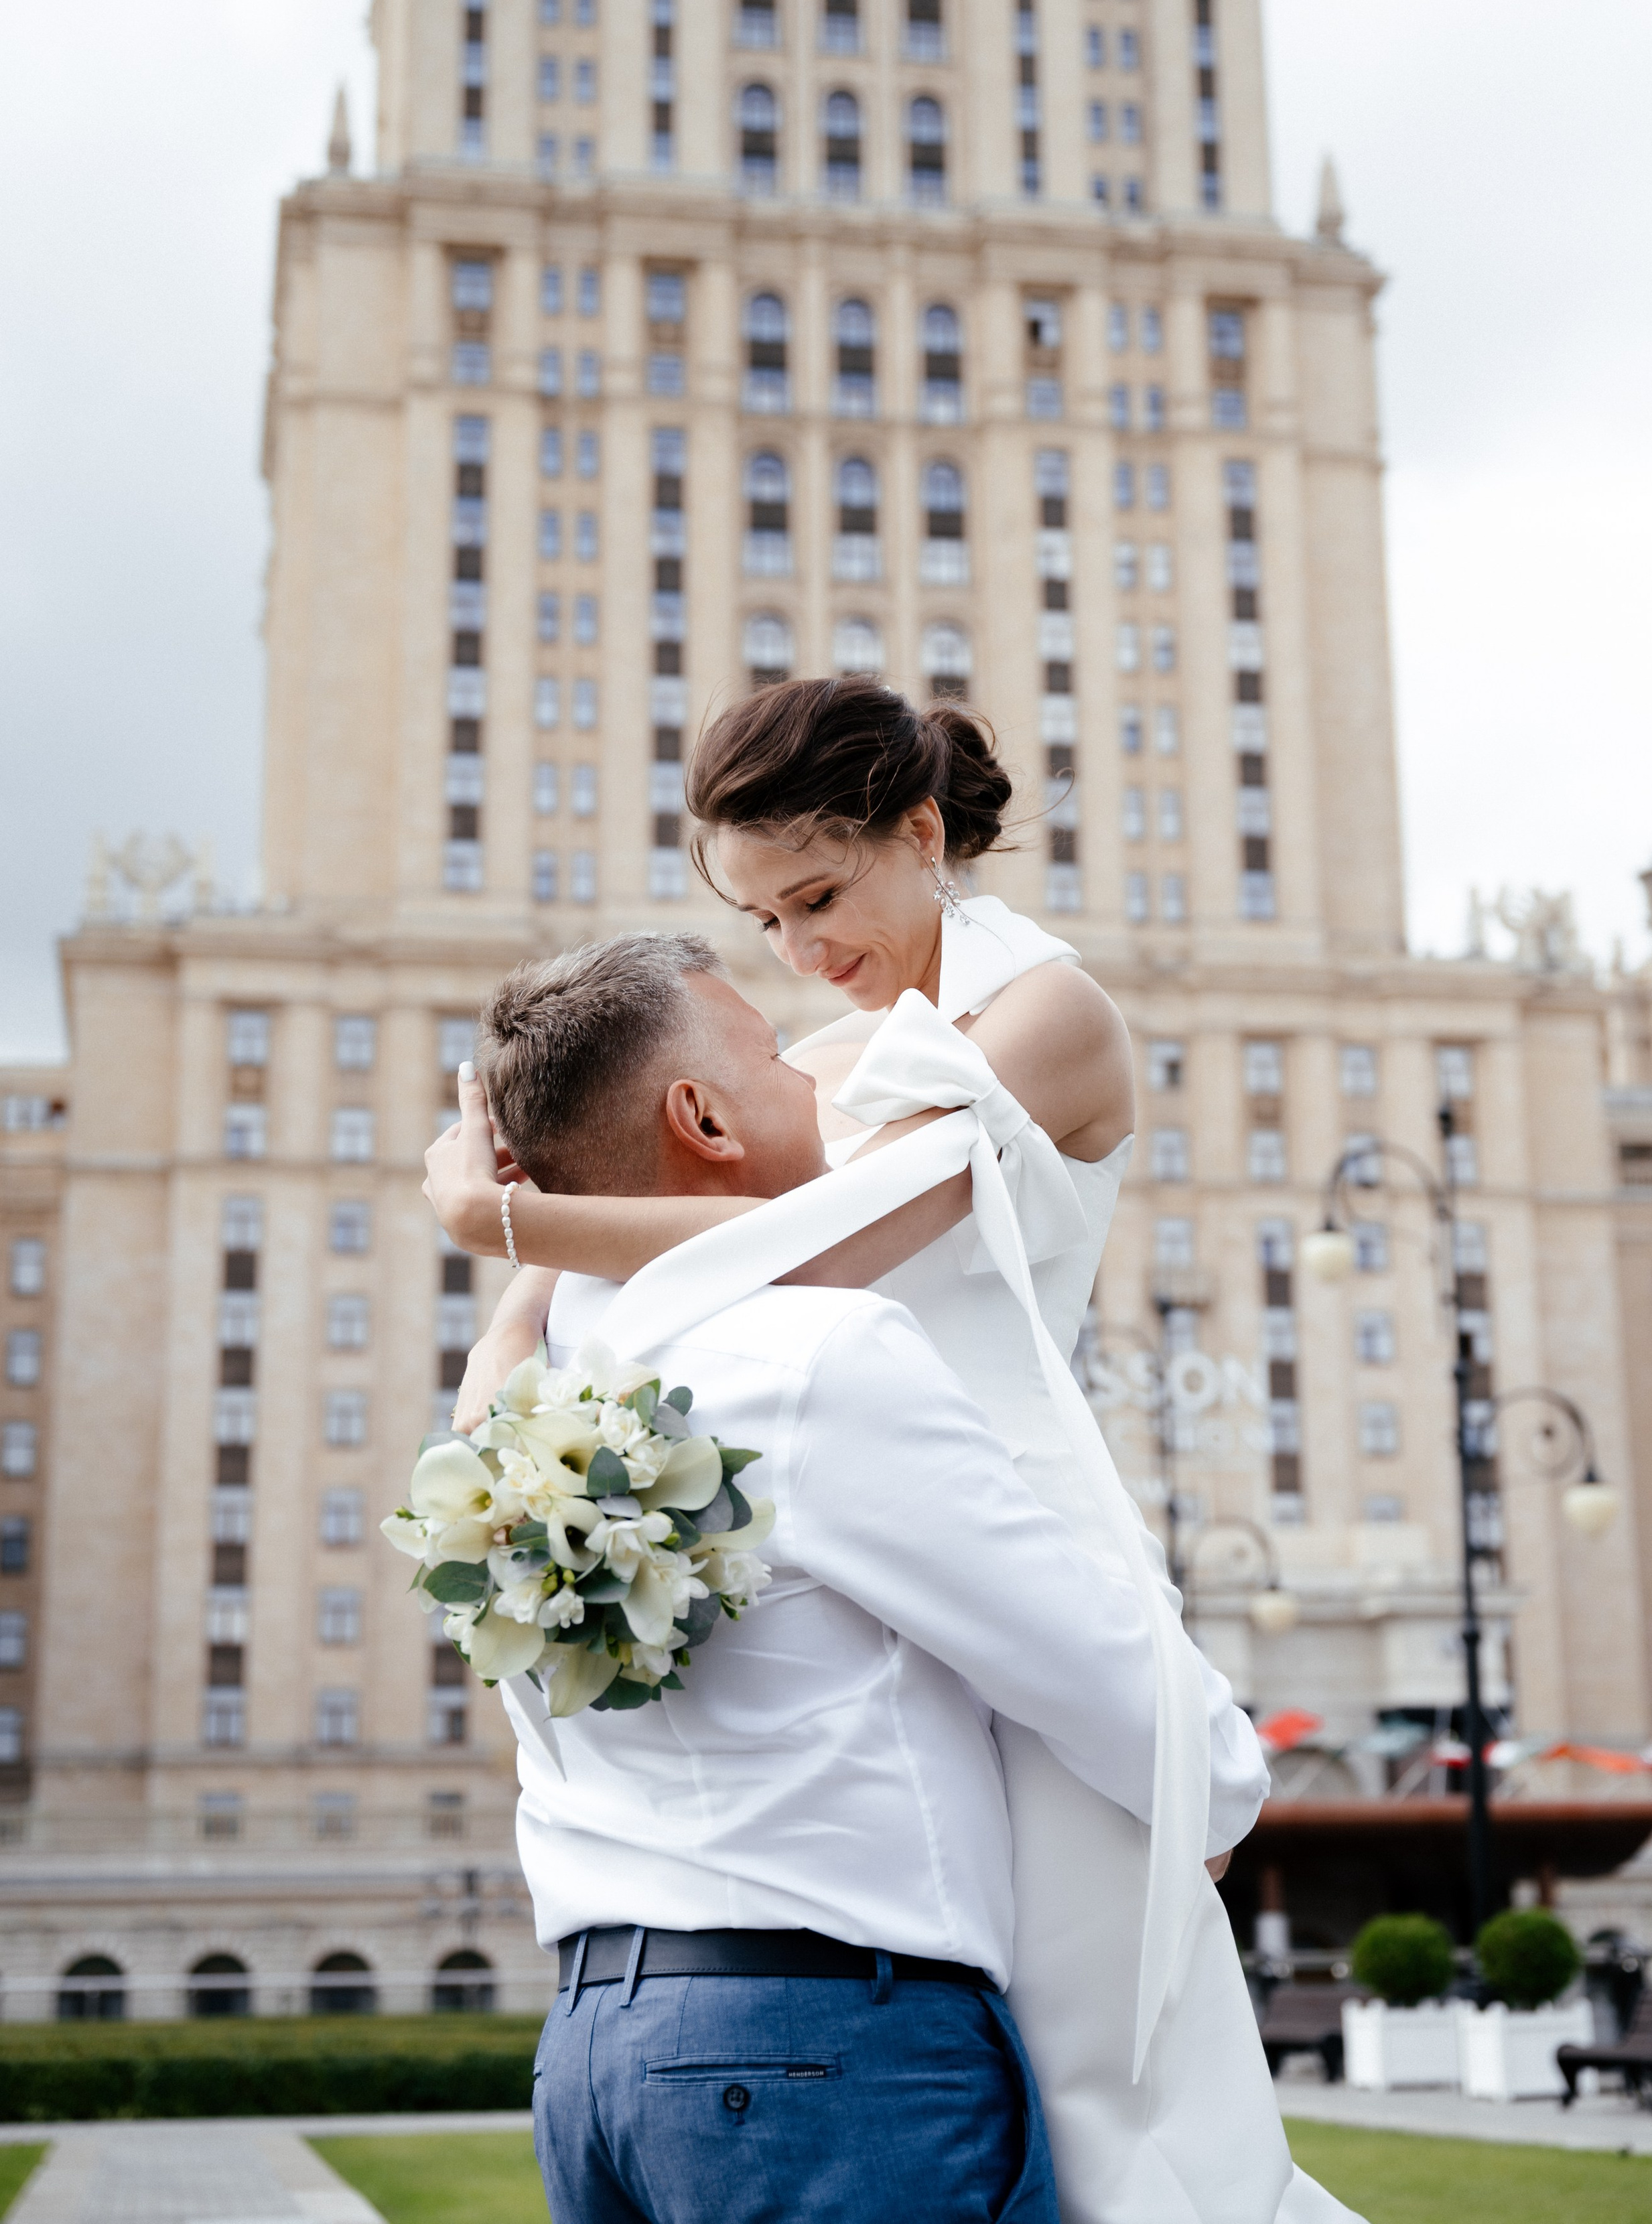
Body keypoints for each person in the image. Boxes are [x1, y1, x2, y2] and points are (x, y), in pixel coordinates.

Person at [427, 680, 1360, 2224]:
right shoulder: (817, 1055)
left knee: (1109, 2095)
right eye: (762, 921)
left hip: (1000, 1548)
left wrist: (502, 1223)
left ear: (920, 833)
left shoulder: (1046, 1014)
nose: (797, 953)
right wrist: (510, 1317)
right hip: (865, 1593)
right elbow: (658, 1273)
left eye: (815, 898)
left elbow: (798, 1245)